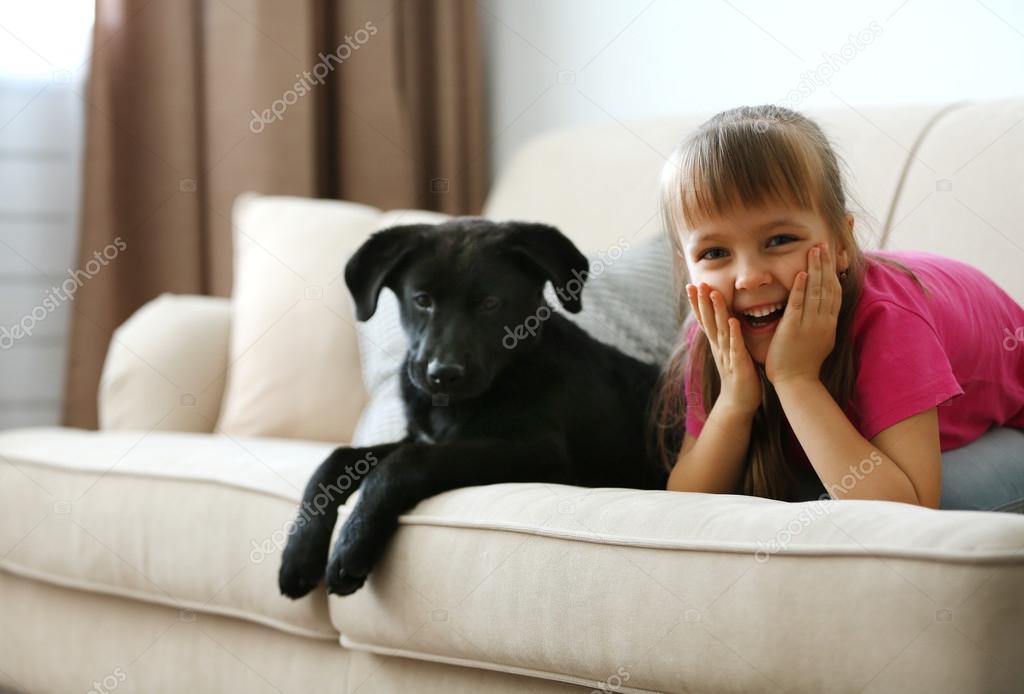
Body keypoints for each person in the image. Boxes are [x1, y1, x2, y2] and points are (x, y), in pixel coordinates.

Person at [653, 105, 1024, 511]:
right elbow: (684, 505)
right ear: (685, 266)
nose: (749, 278)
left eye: (779, 240)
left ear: (843, 244)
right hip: (876, 455)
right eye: (715, 252)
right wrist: (735, 402)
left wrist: (795, 379)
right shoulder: (715, 327)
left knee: (847, 502)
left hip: (1009, 430)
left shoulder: (887, 319)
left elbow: (909, 512)